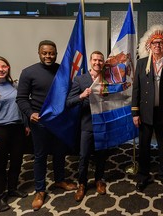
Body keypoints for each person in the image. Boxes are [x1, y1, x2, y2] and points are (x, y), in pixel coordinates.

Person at [16, 40, 77, 211]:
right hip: (40, 122)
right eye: (45, 53)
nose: (48, 56)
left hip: (60, 121)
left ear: (56, 53)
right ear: (39, 53)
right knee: (40, 156)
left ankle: (59, 180)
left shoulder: (63, 71)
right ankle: (40, 190)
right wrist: (30, 114)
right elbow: (21, 98)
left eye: (52, 53)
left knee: (60, 153)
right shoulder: (28, 72)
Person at [131, 25, 163, 194]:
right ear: (150, 45)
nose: (158, 46)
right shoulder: (141, 64)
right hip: (146, 113)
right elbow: (136, 90)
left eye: (161, 43)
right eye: (155, 43)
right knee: (144, 147)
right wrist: (135, 113)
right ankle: (142, 177)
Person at [0, 56, 29, 212]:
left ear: (8, 68)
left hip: (17, 129)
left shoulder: (14, 86)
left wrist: (25, 124)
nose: (0, 69)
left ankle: (12, 188)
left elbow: (20, 105)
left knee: (17, 161)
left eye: (4, 66)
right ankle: (0, 196)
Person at [66, 51, 107, 202]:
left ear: (103, 62)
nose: (98, 63)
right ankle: (82, 184)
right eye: (95, 60)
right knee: (84, 155)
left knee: (102, 153)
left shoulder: (107, 78)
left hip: (103, 122)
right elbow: (69, 102)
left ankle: (99, 179)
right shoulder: (80, 79)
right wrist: (82, 95)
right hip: (87, 123)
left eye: (100, 60)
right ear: (90, 61)